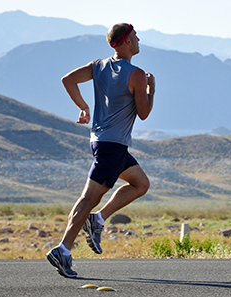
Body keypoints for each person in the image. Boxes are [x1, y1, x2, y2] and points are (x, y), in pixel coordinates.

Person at [46, 23, 155, 278]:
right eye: (136, 37)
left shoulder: (98, 65)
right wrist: (151, 88)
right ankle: (63, 250)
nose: (139, 40)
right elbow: (144, 113)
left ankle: (98, 219)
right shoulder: (137, 75)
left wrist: (83, 107)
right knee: (88, 198)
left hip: (102, 142)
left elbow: (68, 79)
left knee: (141, 184)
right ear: (127, 41)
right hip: (112, 146)